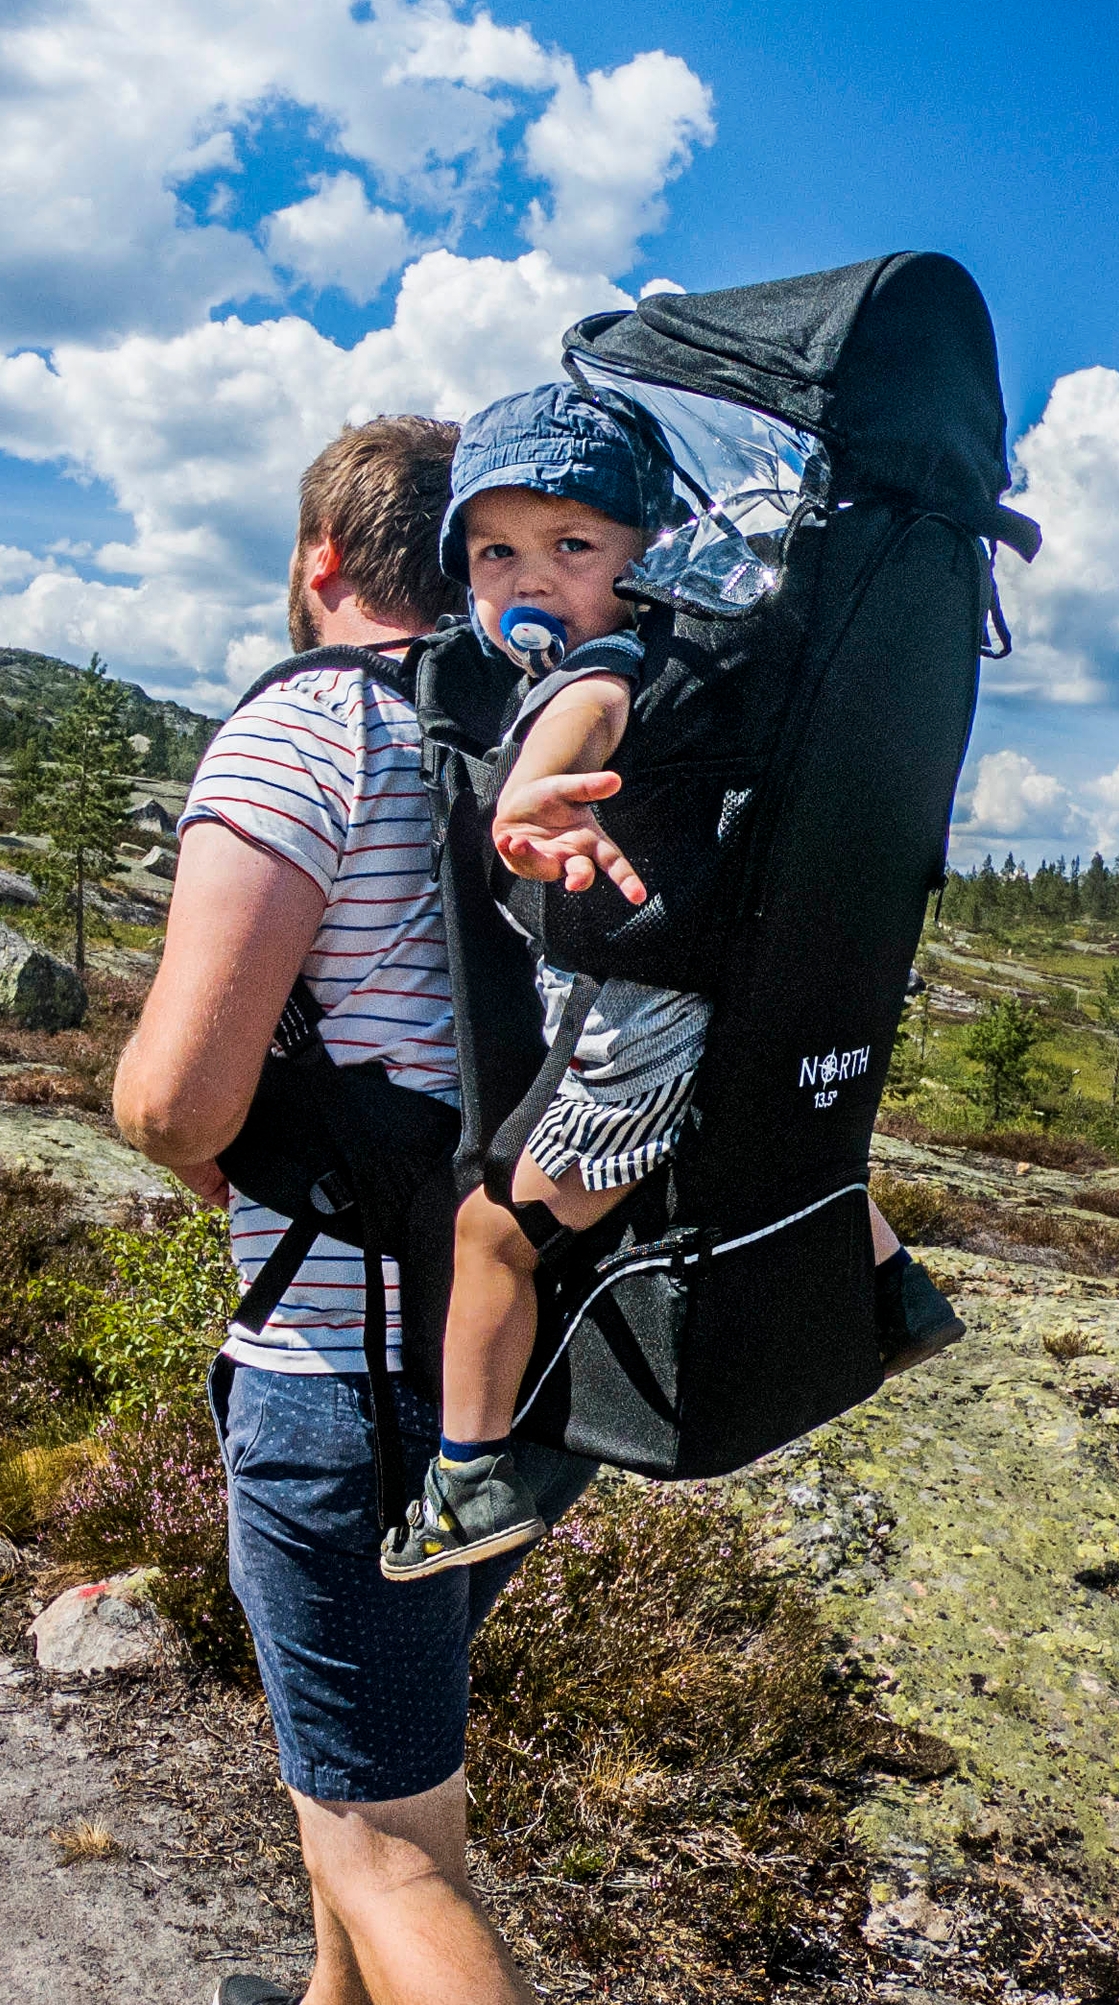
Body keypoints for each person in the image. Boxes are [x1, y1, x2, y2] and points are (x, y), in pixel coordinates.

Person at [113, 414, 595, 2005]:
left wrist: (220, 1170)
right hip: (524, 1365)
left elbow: (177, 1098)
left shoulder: (311, 733)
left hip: (344, 1373)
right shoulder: (549, 739)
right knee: (388, 1772)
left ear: (322, 561)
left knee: (391, 1846)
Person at [381, 385, 961, 1583]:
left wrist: (527, 797)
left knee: (492, 1239)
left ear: (644, 559)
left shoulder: (609, 666)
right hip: (739, 1007)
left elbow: (580, 719)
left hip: (631, 1043)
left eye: (573, 546)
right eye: (496, 551)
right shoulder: (697, 667)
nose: (531, 577)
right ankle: (896, 1297)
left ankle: (468, 1477)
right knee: (763, 1151)